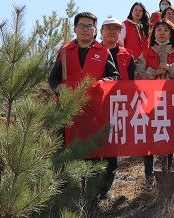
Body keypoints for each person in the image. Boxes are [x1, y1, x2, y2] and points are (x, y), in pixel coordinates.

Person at [47, 12, 120, 202]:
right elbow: (52, 78)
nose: (85, 29)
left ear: (95, 30)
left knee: (93, 153)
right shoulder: (65, 51)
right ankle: (68, 196)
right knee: (67, 151)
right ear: (75, 29)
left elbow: (114, 76)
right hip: (67, 110)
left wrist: (100, 84)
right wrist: (58, 87)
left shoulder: (103, 51)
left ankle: (91, 197)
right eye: (82, 26)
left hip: (93, 111)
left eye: (89, 26)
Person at [135, 18, 174, 192]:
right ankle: (149, 176)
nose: (162, 33)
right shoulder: (146, 53)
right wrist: (152, 72)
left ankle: (167, 171)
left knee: (169, 136)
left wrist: (170, 68)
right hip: (149, 101)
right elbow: (137, 75)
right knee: (149, 138)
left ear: (172, 33)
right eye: (158, 30)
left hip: (171, 101)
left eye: (166, 30)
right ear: (153, 33)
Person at [97, 18, 134, 200]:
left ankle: (105, 189)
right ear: (101, 31)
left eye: (116, 29)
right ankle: (90, 189)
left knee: (112, 150)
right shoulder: (92, 51)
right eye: (108, 28)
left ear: (120, 33)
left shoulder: (127, 55)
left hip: (118, 106)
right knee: (93, 149)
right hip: (95, 107)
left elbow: (132, 82)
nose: (112, 32)